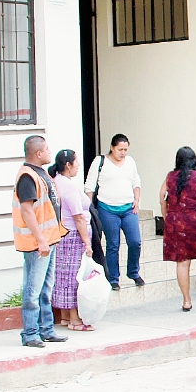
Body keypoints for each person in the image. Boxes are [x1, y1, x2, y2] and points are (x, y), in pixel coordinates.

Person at [12, 136, 70, 348]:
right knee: (32, 290)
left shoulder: (41, 173)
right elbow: (27, 210)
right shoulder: (28, 177)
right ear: (38, 154)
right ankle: (30, 334)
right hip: (38, 244)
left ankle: (46, 330)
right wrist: (41, 240)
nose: (49, 152)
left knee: (46, 289)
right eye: (46, 149)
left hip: (49, 240)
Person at [159, 146, 196, 312]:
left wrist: (167, 218)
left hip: (175, 224)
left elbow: (162, 199)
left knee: (182, 263)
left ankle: (186, 301)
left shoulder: (170, 177)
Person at [85, 134, 144, 292]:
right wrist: (89, 208)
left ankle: (133, 271)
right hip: (107, 209)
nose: (123, 153)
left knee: (135, 241)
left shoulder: (130, 162)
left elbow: (136, 181)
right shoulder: (100, 162)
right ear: (112, 148)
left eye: (125, 149)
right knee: (113, 245)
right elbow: (90, 186)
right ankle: (113, 278)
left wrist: (137, 199)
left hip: (128, 208)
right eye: (120, 149)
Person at [48, 149, 95, 330]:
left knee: (63, 275)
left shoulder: (56, 182)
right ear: (68, 165)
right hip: (73, 235)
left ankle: (65, 317)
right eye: (76, 162)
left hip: (62, 234)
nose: (78, 166)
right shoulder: (68, 187)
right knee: (74, 277)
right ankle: (75, 319)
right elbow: (78, 217)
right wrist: (87, 242)